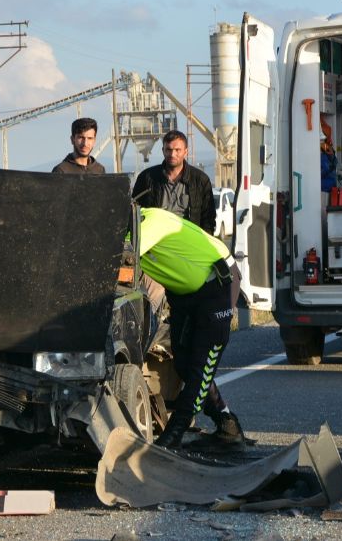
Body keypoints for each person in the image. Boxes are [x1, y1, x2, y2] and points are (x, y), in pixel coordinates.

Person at [137, 207, 244, 450]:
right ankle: (227, 424)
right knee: (183, 364)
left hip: (218, 286)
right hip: (185, 293)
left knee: (199, 369)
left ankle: (171, 438)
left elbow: (120, 256)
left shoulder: (150, 221)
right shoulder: (127, 229)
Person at [131, 131, 216, 235]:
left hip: (189, 242)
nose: (172, 154)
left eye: (177, 150)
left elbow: (208, 219)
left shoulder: (200, 180)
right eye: (169, 150)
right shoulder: (147, 178)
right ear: (163, 151)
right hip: (156, 242)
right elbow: (134, 212)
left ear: (185, 152)